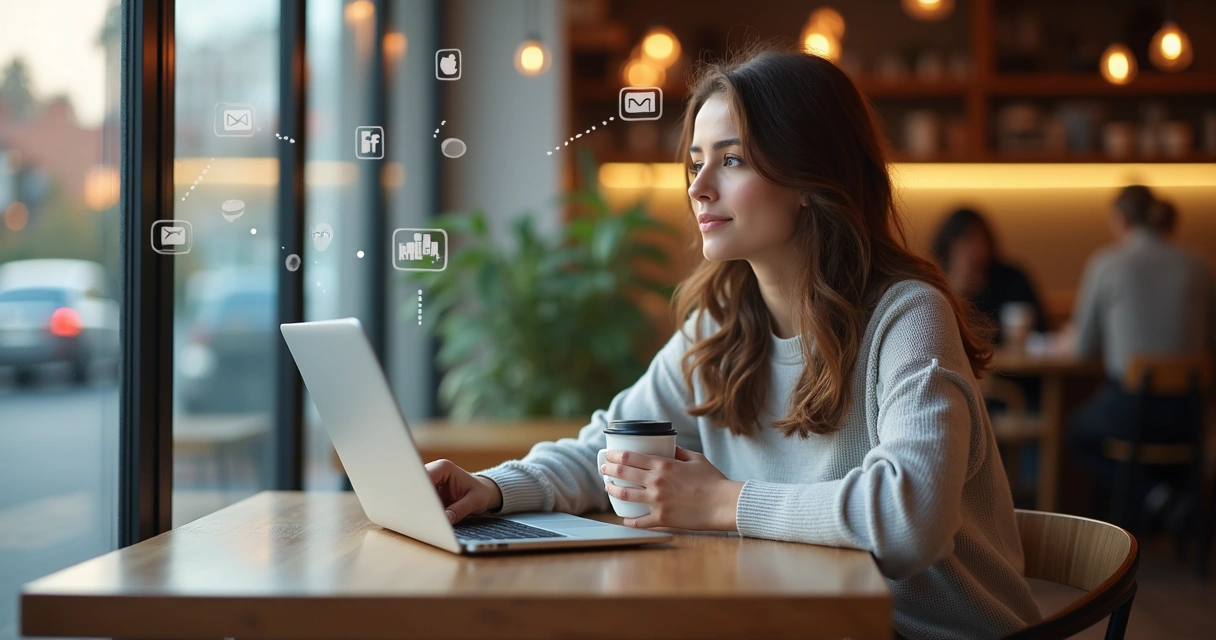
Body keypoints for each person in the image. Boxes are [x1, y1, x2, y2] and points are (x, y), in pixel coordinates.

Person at [425, 48, 1041, 639]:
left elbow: (912, 521)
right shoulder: (720, 327)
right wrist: (492, 489)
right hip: (803, 622)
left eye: (733, 159)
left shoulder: (906, 317)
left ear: (811, 177)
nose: (698, 187)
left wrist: (723, 502)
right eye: (696, 161)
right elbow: (610, 451)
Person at [1068, 186, 1216, 500]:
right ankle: (1169, 502)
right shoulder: (1202, 266)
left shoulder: (1107, 263)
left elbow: (1084, 348)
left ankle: (1153, 499)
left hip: (1131, 409)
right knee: (1171, 454)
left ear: (1121, 220)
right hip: (1191, 414)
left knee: (1078, 433)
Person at [931, 207, 1047, 346]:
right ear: (949, 246)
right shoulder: (935, 284)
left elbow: (1041, 329)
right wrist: (956, 291)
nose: (977, 248)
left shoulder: (1013, 279)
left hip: (1013, 358)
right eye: (967, 240)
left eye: (982, 239)